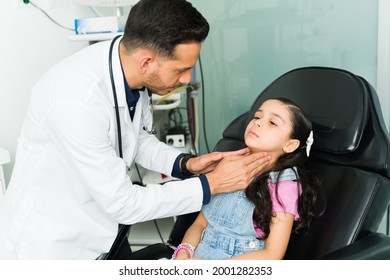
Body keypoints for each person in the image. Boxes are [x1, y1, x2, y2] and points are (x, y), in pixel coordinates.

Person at [0, 0, 271, 260]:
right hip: (55, 246)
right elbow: (124, 203)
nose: (188, 80)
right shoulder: (75, 103)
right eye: (182, 69)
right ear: (147, 62)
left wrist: (185, 164)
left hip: (104, 232)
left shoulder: (128, 66)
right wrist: (212, 184)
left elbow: (134, 138)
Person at [172, 97, 326, 260]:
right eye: (257, 117)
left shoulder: (284, 185)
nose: (258, 123)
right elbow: (201, 224)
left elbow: (272, 255)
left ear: (290, 145)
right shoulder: (227, 166)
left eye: (272, 122)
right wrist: (184, 251)